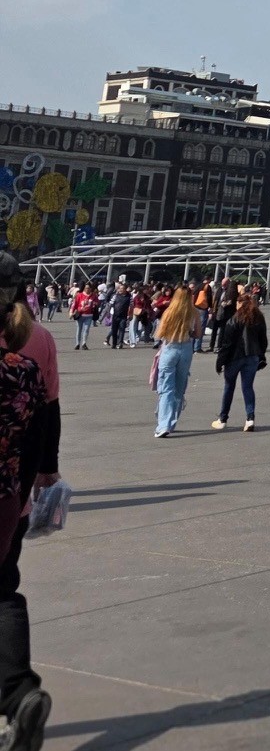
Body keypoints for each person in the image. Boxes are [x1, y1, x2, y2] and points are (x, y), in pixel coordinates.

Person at [0, 252, 54, 750]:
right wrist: (21, 498)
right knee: (2, 589)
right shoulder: (24, 369)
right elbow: (39, 435)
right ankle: (17, 694)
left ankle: (16, 695)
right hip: (4, 503)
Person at [211, 289, 268, 432]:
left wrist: (220, 361)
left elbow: (227, 344)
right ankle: (250, 418)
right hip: (252, 357)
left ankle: (223, 418)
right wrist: (260, 355)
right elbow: (263, 341)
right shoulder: (258, 318)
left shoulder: (234, 319)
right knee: (248, 387)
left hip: (234, 358)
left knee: (229, 386)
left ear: (240, 303)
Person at [152, 285, 202, 437]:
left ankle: (163, 425)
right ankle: (171, 421)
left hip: (170, 347)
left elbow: (159, 333)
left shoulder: (169, 311)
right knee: (179, 387)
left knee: (167, 387)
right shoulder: (194, 313)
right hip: (186, 348)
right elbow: (198, 333)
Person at [69, 284, 97, 351]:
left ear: (91, 289)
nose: (87, 289)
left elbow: (97, 303)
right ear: (84, 289)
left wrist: (94, 304)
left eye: (89, 288)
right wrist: (71, 312)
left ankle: (84, 343)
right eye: (86, 288)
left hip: (89, 316)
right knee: (79, 329)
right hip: (80, 315)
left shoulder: (93, 296)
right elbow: (74, 304)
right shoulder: (79, 295)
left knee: (86, 329)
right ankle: (77, 344)